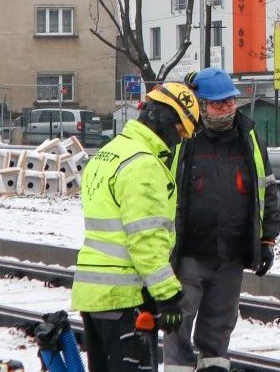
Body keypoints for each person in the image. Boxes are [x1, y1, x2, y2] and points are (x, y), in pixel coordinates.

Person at [72, 82, 202, 372]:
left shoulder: (109, 153)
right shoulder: (144, 166)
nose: (180, 140)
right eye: (180, 130)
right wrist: (169, 296)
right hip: (125, 295)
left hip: (93, 293)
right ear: (165, 118)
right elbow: (146, 240)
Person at [163, 67, 279, 372]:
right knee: (179, 323)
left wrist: (266, 239)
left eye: (230, 101)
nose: (226, 108)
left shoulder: (248, 137)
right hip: (188, 252)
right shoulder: (183, 139)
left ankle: (214, 366)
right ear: (199, 105)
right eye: (218, 103)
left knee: (219, 324)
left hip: (230, 253)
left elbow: (265, 188)